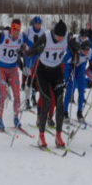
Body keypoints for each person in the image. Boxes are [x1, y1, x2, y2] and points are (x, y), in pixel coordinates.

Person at [26, 20, 72, 148]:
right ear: (53, 33)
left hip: (56, 71)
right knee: (46, 101)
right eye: (58, 36)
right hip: (43, 71)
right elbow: (29, 52)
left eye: (62, 36)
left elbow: (74, 49)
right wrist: (37, 50)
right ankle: (41, 136)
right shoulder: (45, 37)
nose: (60, 39)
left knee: (59, 101)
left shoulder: (67, 37)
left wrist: (74, 50)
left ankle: (58, 136)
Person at [0, 19, 32, 130]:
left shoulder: (21, 37)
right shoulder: (4, 35)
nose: (16, 33)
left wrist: (37, 48)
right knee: (3, 94)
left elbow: (31, 44)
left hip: (13, 68)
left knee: (17, 94)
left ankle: (16, 117)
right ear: (11, 29)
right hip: (1, 69)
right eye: (14, 30)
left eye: (18, 31)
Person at [63, 40, 92, 123]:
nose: (85, 53)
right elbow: (63, 61)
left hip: (79, 67)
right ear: (80, 49)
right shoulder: (73, 52)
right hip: (69, 68)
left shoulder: (90, 52)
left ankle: (79, 112)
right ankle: (64, 112)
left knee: (82, 88)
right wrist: (69, 64)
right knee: (69, 89)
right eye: (83, 51)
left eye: (86, 51)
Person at [23, 16, 45, 108]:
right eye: (36, 24)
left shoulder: (43, 31)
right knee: (29, 78)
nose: (37, 26)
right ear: (33, 24)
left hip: (37, 56)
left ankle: (33, 97)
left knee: (36, 77)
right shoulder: (28, 30)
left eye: (39, 24)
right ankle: (27, 100)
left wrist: (41, 48)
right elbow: (23, 38)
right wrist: (32, 45)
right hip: (29, 55)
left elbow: (46, 41)